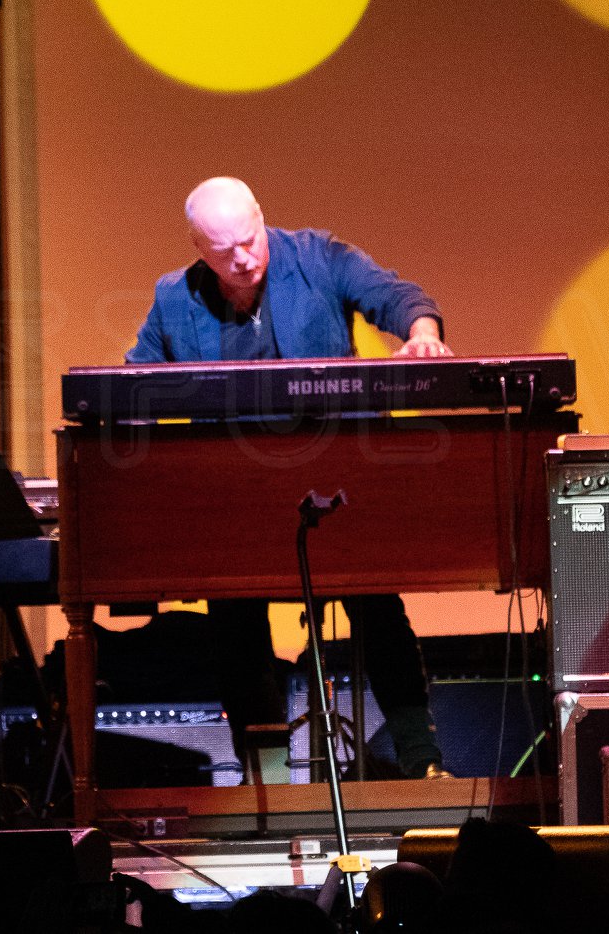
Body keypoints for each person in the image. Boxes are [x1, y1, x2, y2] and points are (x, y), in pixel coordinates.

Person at [127, 176, 453, 779]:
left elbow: (395, 296)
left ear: (261, 219)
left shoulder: (317, 256)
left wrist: (422, 334)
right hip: (238, 495)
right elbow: (130, 386)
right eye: (225, 253)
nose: (244, 259)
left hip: (338, 479)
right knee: (232, 614)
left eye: (250, 241)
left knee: (377, 602)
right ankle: (268, 777)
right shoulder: (174, 297)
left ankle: (421, 758)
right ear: (200, 249)